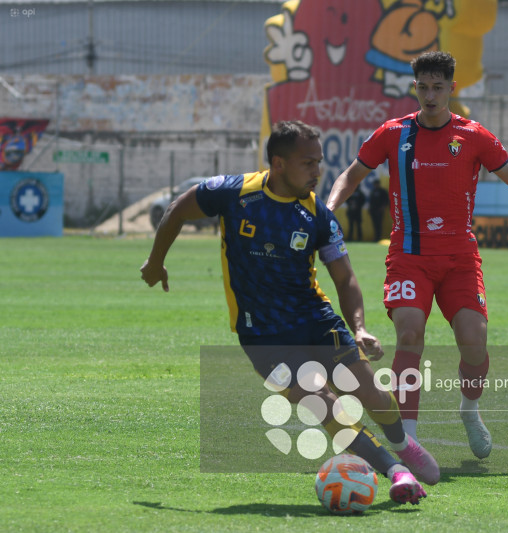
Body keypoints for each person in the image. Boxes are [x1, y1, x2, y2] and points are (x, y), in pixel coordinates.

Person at [326, 51, 508, 459]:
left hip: (459, 259)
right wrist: (327, 210)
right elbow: (352, 174)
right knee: (409, 334)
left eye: (437, 87)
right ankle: (408, 439)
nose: (430, 95)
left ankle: (469, 409)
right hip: (409, 256)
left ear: (451, 88)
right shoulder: (393, 133)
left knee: (474, 343)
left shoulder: (474, 135)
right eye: (423, 87)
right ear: (414, 87)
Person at [140, 121, 439, 505]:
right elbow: (177, 210)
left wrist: (360, 327)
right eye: (308, 163)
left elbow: (344, 277)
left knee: (371, 393)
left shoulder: (317, 215)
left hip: (315, 321)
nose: (318, 172)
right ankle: (396, 471)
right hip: (263, 338)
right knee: (323, 401)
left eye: (319, 162)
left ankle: (402, 444)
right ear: (279, 164)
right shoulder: (233, 193)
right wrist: (156, 261)